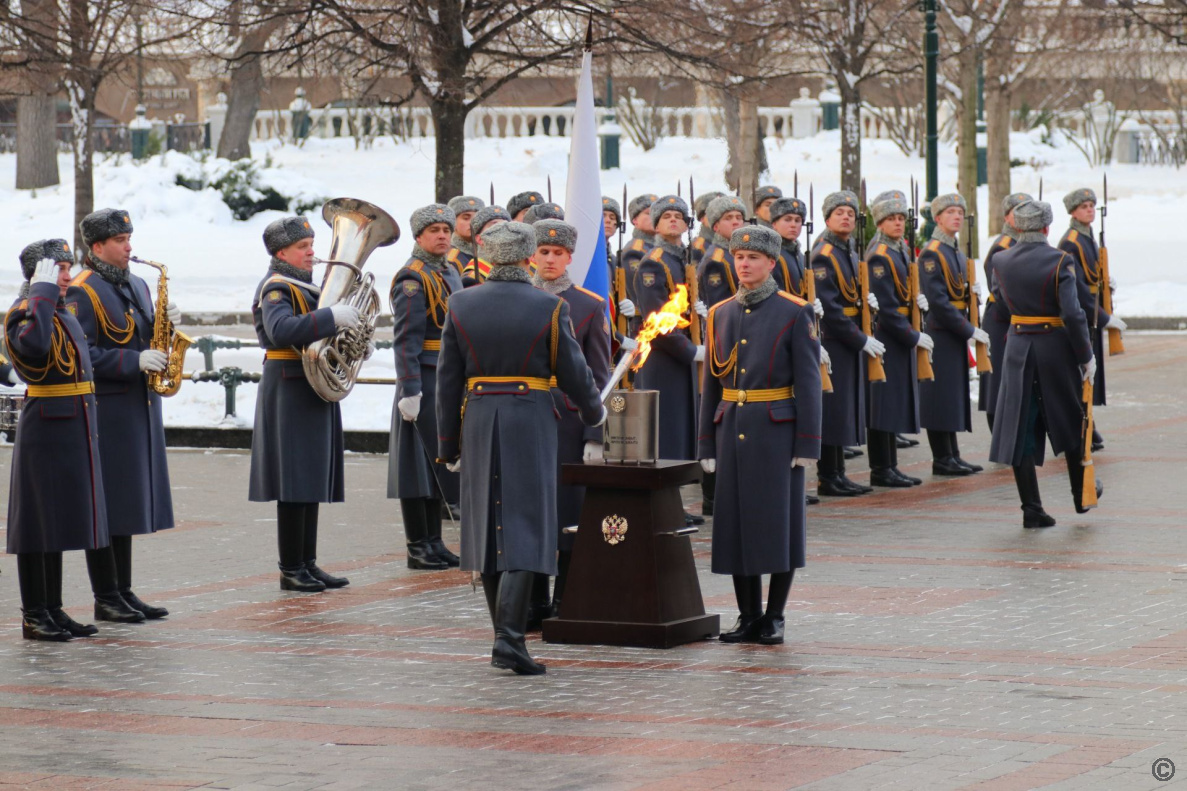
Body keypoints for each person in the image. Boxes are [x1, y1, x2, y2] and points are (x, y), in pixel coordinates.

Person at [436, 221, 606, 676]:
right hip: (529, 415)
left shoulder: (461, 302)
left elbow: (447, 380)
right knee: (527, 527)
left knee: (489, 528)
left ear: (488, 257)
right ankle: (509, 640)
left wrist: (447, 443)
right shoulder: (548, 306)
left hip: (477, 417)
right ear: (529, 255)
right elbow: (574, 370)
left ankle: (502, 638)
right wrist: (595, 415)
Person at [699, 225, 821, 645]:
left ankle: (775, 615)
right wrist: (704, 442)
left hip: (776, 431)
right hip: (731, 426)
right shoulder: (719, 313)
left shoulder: (795, 311)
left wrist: (807, 443)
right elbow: (710, 383)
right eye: (739, 257)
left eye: (754, 258)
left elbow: (808, 383)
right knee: (735, 525)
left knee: (777, 525)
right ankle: (747, 614)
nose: (745, 264)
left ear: (772, 263)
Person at [66, 209, 176, 621]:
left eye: (129, 237)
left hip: (139, 406)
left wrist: (164, 326)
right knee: (106, 503)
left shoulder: (137, 283)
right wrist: (132, 361)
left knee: (126, 502)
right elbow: (82, 354)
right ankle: (105, 596)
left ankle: (123, 590)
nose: (130, 246)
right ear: (97, 247)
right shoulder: (82, 291)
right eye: (120, 240)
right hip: (107, 410)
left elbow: (142, 333)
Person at [248, 215, 362, 592]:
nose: (312, 252)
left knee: (309, 479)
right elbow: (280, 332)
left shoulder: (307, 287)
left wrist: (353, 336)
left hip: (311, 387)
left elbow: (317, 330)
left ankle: (307, 563)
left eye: (312, 244)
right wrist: (330, 317)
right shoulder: (276, 289)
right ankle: (290, 567)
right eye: (303, 246)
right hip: (289, 387)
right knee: (293, 483)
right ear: (282, 252)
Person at [7, 240, 109, 641]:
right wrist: (41, 295)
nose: (67, 277)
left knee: (59, 520)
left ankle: (53, 607)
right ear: (37, 277)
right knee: (37, 523)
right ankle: (34, 614)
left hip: (71, 423)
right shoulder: (23, 313)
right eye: (58, 271)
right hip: (46, 425)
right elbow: (33, 347)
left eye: (68, 268)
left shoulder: (61, 311)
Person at [988, 199, 1101, 526]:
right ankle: (1082, 497)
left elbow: (1002, 305)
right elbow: (1072, 313)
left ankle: (1031, 509)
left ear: (1018, 227)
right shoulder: (1060, 260)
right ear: (1047, 228)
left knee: (1021, 426)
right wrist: (1086, 355)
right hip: (1053, 348)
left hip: (1019, 347)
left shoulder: (1001, 260)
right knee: (1069, 419)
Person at [529, 220, 611, 626]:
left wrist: (595, 432)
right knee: (528, 511)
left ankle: (564, 597)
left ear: (569, 258)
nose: (549, 259)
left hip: (568, 422)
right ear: (530, 255)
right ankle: (532, 599)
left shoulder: (590, 306)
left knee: (566, 515)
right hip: (525, 416)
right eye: (543, 252)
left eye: (557, 253)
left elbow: (600, 376)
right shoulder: (516, 298)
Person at [390, 205, 465, 571]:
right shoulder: (412, 278)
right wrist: (409, 389)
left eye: (446, 229)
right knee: (416, 467)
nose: (442, 236)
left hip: (446, 376)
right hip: (422, 379)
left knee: (437, 462)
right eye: (433, 230)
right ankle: (417, 545)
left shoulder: (450, 270)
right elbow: (406, 339)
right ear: (418, 236)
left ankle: (435, 541)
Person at [633, 195, 707, 525]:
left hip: (679, 360)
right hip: (664, 360)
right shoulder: (656, 262)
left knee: (680, 434)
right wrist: (690, 350)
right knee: (667, 435)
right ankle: (664, 510)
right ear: (657, 224)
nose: (674, 221)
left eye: (680, 216)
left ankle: (673, 506)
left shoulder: (682, 259)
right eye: (667, 217)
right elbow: (656, 318)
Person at [811, 191, 879, 496]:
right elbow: (831, 307)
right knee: (834, 408)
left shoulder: (848, 250)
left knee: (843, 407)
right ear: (827, 218)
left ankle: (838, 472)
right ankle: (828, 475)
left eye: (851, 213)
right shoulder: (823, 253)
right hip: (835, 338)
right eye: (839, 212)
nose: (846, 217)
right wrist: (859, 338)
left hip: (848, 336)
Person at [917, 193, 990, 475]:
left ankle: (952, 454)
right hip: (941, 332)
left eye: (960, 212)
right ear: (938, 218)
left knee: (951, 395)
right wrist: (968, 329)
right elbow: (938, 302)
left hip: (954, 331)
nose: (957, 216)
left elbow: (957, 294)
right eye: (950, 212)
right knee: (940, 396)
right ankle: (941, 458)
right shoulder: (932, 252)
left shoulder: (956, 251)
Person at [864, 191, 931, 487]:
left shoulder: (898, 248)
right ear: (880, 223)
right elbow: (888, 307)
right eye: (891, 219)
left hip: (900, 331)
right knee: (883, 404)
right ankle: (881, 468)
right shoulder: (879, 253)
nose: (898, 223)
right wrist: (912, 335)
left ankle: (890, 465)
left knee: (891, 403)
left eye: (901, 218)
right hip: (889, 335)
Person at [1058, 188, 1126, 451]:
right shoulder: (1070, 242)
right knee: (1080, 374)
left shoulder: (1087, 238)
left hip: (1090, 314)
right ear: (1073, 211)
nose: (1089, 210)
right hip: (1082, 316)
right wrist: (1102, 316)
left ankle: (1089, 426)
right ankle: (1080, 428)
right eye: (1084, 206)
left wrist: (1106, 287)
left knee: (1088, 374)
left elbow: (1092, 278)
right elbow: (1075, 287)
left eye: (1091, 206)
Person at [979, 193, 1031, 430]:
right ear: (1007, 217)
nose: (1022, 216)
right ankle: (998, 434)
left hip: (1017, 320)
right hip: (1002, 319)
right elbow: (999, 290)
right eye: (1017, 211)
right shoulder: (1003, 246)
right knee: (997, 380)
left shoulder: (1024, 244)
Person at [616, 194, 658, 336]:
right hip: (645, 322)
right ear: (635, 220)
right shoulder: (635, 251)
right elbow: (641, 292)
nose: (653, 216)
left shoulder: (660, 247)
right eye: (648, 213)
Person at [698, 195, 747, 308]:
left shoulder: (739, 252)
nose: (735, 222)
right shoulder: (715, 261)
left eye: (739, 218)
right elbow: (718, 307)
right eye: (728, 218)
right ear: (716, 226)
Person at [769, 196, 810, 298]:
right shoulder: (772, 254)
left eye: (797, 220)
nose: (793, 225)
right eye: (787, 219)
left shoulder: (800, 256)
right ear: (774, 224)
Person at [462, 205, 510, 286]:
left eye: (506, 226)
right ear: (479, 239)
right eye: (495, 226)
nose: (502, 231)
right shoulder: (473, 278)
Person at [445, 195, 485, 280]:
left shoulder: (487, 254)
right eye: (466, 218)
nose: (472, 222)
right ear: (453, 222)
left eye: (477, 218)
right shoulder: (451, 260)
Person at [690, 191, 724, 267]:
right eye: (713, 213)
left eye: (724, 213)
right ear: (702, 218)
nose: (719, 216)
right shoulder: (697, 248)